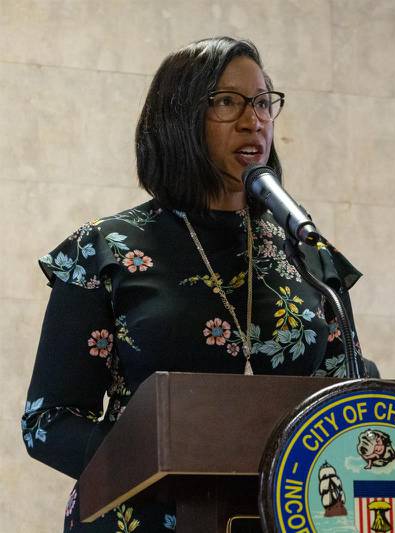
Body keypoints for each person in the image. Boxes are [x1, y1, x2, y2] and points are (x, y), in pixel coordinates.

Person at [21, 36, 376, 532]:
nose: (253, 120)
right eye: (227, 102)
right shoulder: (105, 250)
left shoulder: (305, 252)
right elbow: (48, 423)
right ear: (179, 119)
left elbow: (353, 395)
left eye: (262, 103)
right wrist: (171, 467)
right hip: (143, 518)